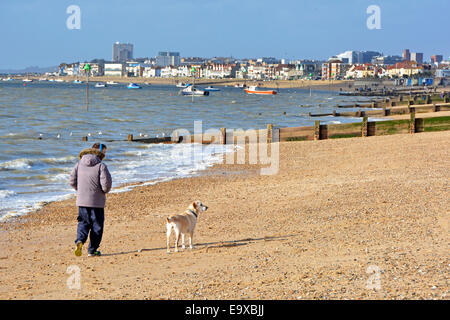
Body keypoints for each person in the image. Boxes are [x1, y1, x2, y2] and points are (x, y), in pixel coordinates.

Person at [69, 143, 112, 257]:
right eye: (105, 152)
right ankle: (92, 250)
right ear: (99, 152)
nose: (105, 154)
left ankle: (80, 240)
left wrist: (81, 190)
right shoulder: (101, 165)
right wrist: (103, 191)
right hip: (96, 201)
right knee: (97, 226)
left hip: (82, 200)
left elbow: (72, 181)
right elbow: (106, 185)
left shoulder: (79, 164)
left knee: (83, 222)